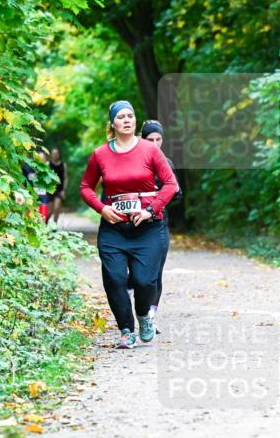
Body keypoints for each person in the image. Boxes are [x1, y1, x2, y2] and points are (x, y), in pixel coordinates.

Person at [80, 101, 179, 349]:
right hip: (114, 230)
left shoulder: (150, 150)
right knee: (114, 279)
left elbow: (170, 185)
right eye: (121, 117)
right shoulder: (100, 154)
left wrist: (150, 210)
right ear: (112, 124)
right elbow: (85, 187)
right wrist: (102, 208)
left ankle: (144, 316)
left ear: (135, 120)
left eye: (130, 116)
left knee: (144, 281)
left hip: (147, 228)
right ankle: (126, 330)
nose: (127, 120)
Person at [140, 119, 182, 333]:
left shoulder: (166, 162)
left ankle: (150, 317)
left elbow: (177, 194)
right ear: (142, 139)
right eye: (150, 140)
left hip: (159, 223)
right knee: (138, 275)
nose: (155, 144)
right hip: (134, 225)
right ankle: (138, 309)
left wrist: (160, 198)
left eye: (158, 139)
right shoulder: (133, 160)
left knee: (156, 272)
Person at [47, 147, 66, 223]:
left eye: (56, 153)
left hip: (59, 190)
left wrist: (63, 190)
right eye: (53, 153)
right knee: (50, 211)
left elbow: (65, 178)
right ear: (51, 155)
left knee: (57, 208)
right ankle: (45, 223)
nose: (55, 155)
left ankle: (55, 225)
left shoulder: (63, 165)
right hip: (50, 189)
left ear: (59, 154)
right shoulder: (48, 164)